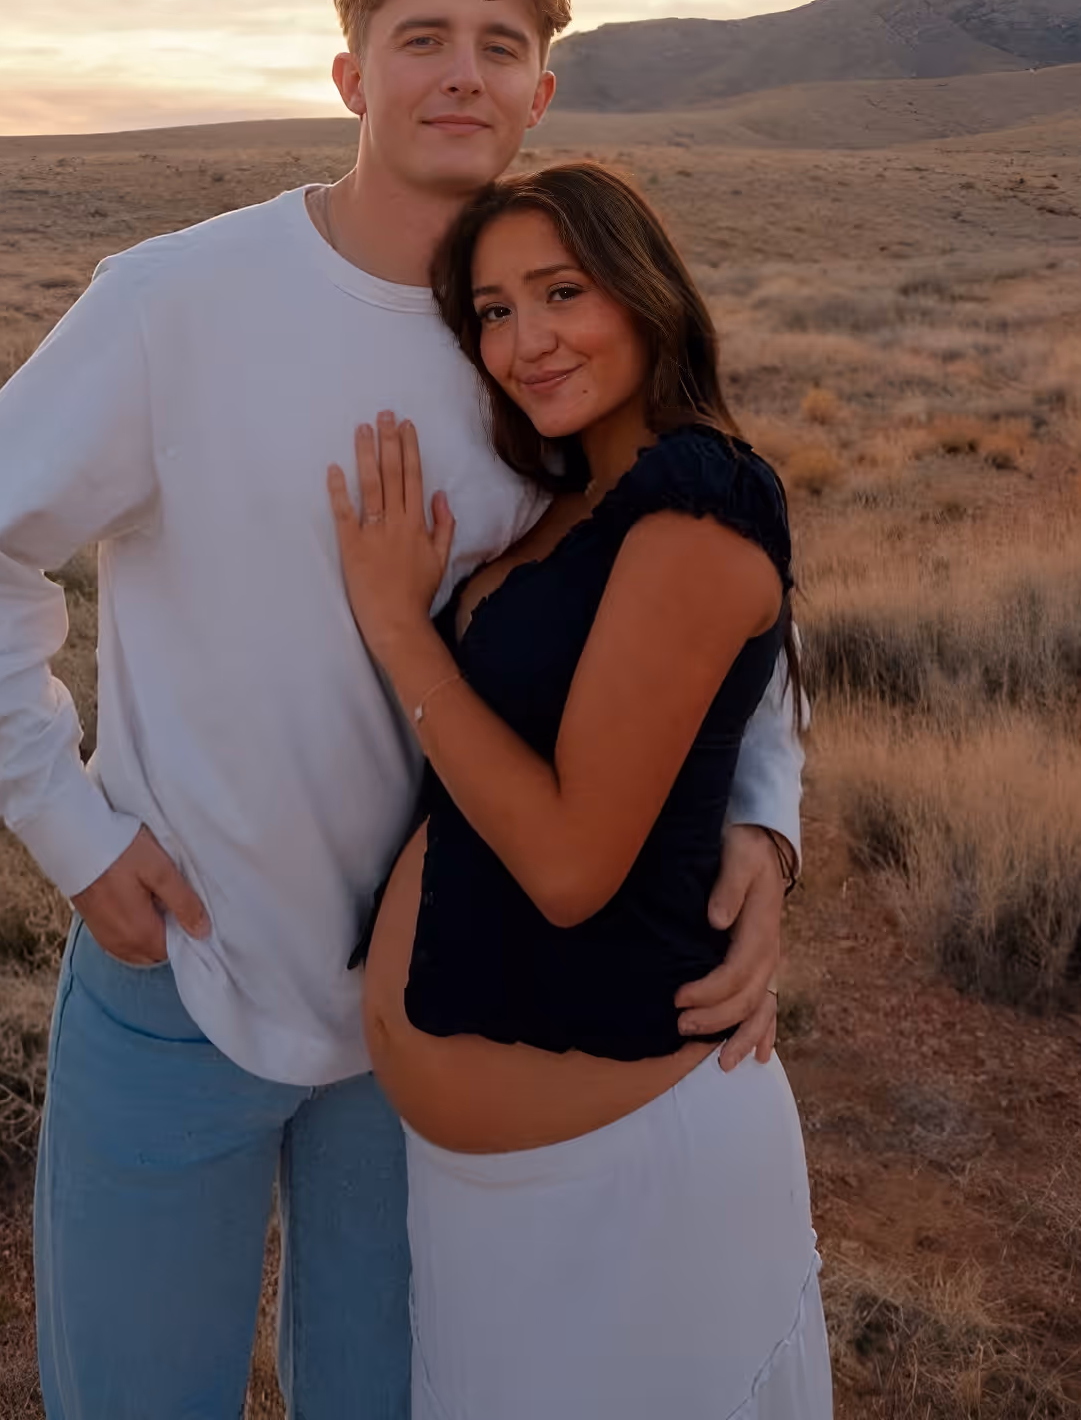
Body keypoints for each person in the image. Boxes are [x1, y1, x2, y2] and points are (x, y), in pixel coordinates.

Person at [0, 0, 806, 1420]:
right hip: (179, 959)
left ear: (542, 93)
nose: (461, 73)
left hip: (441, 1005)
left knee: (386, 1400)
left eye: (499, 46)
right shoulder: (178, 303)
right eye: (422, 39)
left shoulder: (541, 342)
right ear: (351, 77)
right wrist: (64, 824)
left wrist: (764, 824)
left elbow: (702, 599)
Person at [328, 163, 830, 1418]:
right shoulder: (574, 503)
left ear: (646, 290)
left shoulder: (698, 506)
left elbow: (566, 867)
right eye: (492, 310)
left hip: (628, 1176)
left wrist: (401, 630)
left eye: (563, 291)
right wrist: (767, 828)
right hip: (481, 1190)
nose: (526, 340)